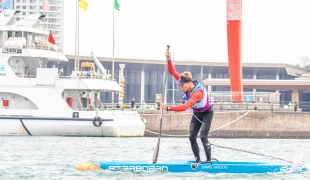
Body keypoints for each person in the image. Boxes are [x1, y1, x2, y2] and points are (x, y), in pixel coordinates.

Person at [160, 50, 214, 164]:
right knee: (191, 137)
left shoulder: (197, 93)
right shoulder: (183, 81)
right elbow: (172, 71)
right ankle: (197, 160)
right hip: (196, 114)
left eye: (182, 85)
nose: (181, 87)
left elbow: (185, 107)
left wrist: (168, 108)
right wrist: (169, 59)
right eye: (179, 85)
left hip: (206, 114)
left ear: (189, 83)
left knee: (203, 137)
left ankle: (208, 161)